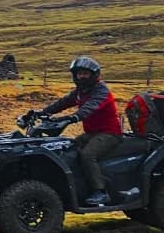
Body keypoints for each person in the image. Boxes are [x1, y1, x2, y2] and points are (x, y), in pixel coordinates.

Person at [40, 56, 121, 206]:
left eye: (85, 73)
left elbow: (90, 107)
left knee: (88, 155)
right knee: (68, 149)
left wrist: (72, 118)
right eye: (79, 73)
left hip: (109, 133)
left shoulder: (101, 91)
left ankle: (101, 192)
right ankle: (79, 187)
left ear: (93, 75)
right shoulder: (81, 91)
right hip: (91, 133)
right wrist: (42, 112)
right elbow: (63, 103)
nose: (81, 76)